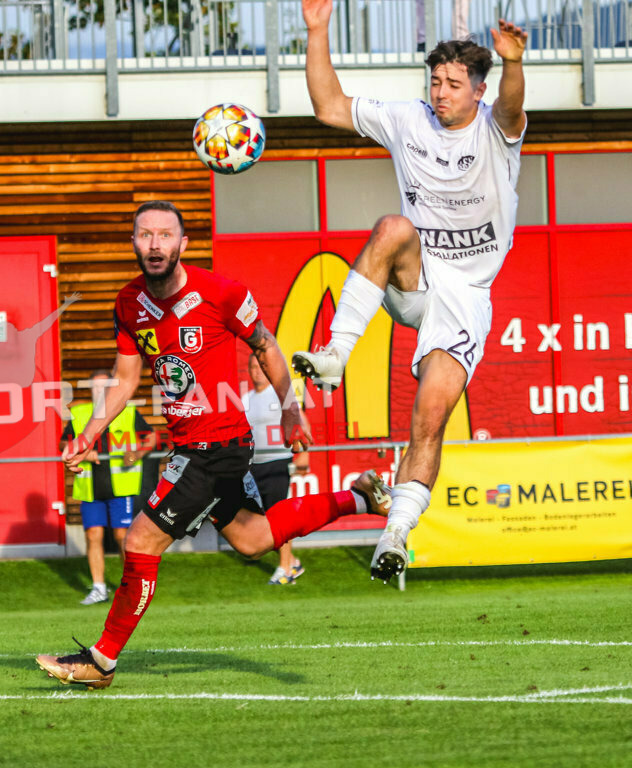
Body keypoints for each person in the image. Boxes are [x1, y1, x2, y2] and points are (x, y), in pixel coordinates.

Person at [35, 201, 391, 689]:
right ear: (134, 243)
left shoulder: (222, 293)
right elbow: (124, 380)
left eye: (165, 235)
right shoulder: (128, 303)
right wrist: (89, 432)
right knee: (253, 539)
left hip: (215, 445)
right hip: (191, 445)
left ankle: (102, 660)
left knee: (139, 540)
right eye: (145, 235)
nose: (155, 243)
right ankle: (359, 497)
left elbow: (265, 345)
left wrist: (291, 409)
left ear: (183, 244)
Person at [296, 2, 527, 582]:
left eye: (454, 83)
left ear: (478, 90)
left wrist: (513, 64)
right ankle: (335, 357)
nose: (442, 90)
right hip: (417, 279)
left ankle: (394, 535)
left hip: (465, 300)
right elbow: (328, 107)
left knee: (428, 421)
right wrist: (318, 30)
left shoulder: (495, 129)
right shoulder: (409, 119)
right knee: (393, 227)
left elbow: (513, 106)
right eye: (436, 80)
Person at [61, 369, 157, 605]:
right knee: (93, 535)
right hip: (90, 488)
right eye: (95, 387)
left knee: (122, 535)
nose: (100, 392)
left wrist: (136, 453)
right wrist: (80, 450)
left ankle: (130, 588)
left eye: (105, 387)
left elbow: (152, 437)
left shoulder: (127, 411)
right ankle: (99, 588)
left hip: (120, 488)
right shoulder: (80, 414)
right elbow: (65, 441)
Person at [242, 355, 305, 585]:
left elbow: (301, 421)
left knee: (278, 516)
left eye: (260, 366)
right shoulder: (245, 399)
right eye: (252, 367)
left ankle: (286, 568)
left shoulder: (280, 395)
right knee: (261, 520)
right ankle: (292, 561)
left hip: (277, 461)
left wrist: (303, 454)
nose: (256, 371)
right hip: (253, 466)